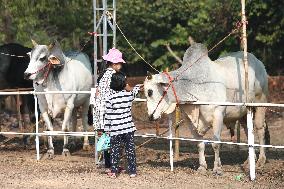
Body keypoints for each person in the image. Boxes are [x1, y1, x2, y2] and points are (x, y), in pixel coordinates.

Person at [104, 71, 142, 178]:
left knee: (114, 151)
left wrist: (107, 130)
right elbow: (135, 90)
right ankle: (132, 171)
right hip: (128, 128)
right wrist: (139, 85)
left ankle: (114, 171)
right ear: (124, 83)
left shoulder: (109, 98)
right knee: (130, 150)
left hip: (115, 129)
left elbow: (108, 116)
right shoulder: (128, 96)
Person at [94, 47, 125, 169]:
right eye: (119, 63)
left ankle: (109, 165)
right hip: (109, 113)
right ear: (113, 63)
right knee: (114, 140)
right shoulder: (114, 76)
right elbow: (114, 94)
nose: (121, 66)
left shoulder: (102, 76)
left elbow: (97, 93)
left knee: (107, 141)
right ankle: (113, 166)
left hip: (100, 114)